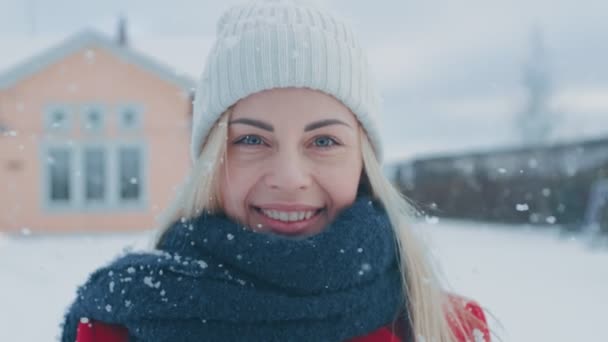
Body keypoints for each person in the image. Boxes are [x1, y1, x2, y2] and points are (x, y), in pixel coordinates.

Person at [60, 0, 491, 341]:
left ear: (363, 162)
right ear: (212, 159)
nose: (288, 177)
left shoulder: (445, 329)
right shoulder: (115, 326)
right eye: (251, 140)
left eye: (323, 142)